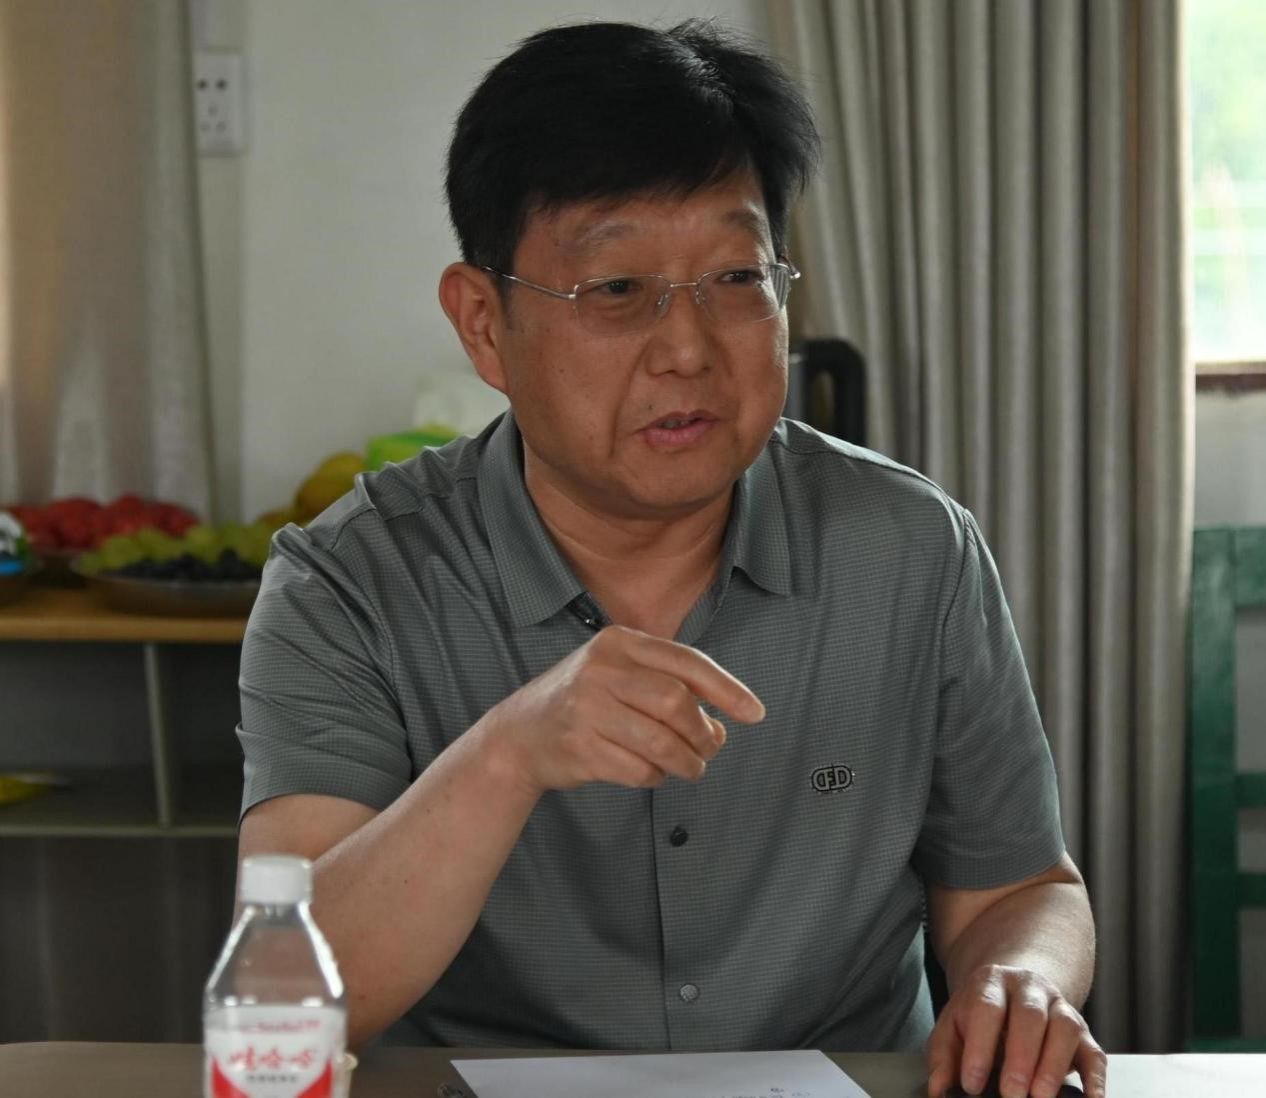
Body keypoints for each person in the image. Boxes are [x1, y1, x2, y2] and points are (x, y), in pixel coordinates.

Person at [236, 20, 1106, 1098]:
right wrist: (507, 756)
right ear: (484, 324)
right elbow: (287, 1001)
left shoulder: (909, 549)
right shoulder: (348, 583)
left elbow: (1020, 888)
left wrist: (1023, 980)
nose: (689, 347)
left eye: (738, 277)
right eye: (616, 290)